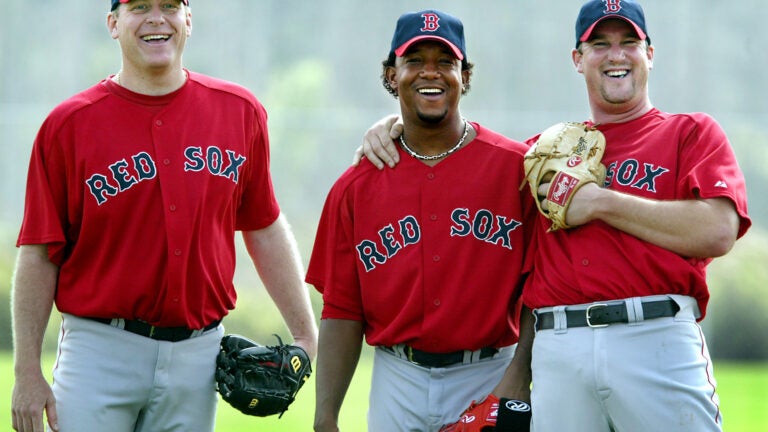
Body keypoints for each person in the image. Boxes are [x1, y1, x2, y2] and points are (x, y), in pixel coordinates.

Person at [360, 1, 752, 431]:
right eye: (599, 43)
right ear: (578, 60)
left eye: (629, 42)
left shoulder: (690, 132)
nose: (616, 54)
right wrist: (396, 125)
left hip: (655, 335)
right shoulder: (542, 155)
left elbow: (718, 231)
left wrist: (601, 202)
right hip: (558, 346)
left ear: (649, 55)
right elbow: (464, 158)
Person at [10, 1, 318, 431]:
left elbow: (263, 226)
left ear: (188, 19)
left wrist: (306, 334)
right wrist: (26, 371)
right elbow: (39, 252)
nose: (157, 18)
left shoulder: (240, 112)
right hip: (99, 351)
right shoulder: (68, 126)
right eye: (139, 7)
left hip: (198, 356)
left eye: (169, 6)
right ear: (113, 24)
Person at [306, 9, 536, 432]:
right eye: (414, 61)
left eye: (445, 62)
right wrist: (326, 418)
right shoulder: (354, 188)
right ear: (392, 75)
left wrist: (518, 378)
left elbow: (541, 287)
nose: (430, 73)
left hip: (489, 372)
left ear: (464, 77)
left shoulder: (515, 169)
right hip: (397, 378)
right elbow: (341, 308)